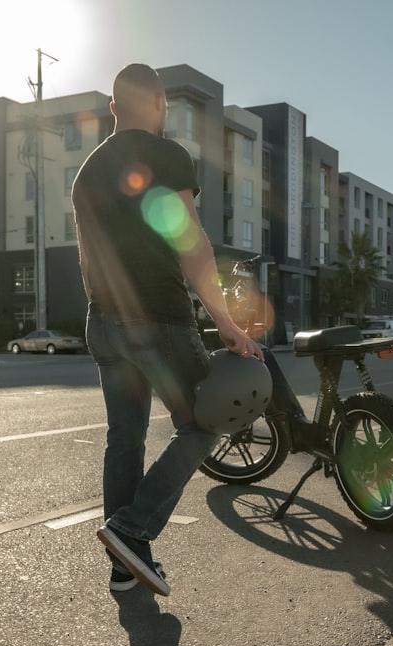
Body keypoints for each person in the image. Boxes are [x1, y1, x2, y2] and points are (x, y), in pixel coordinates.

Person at [71, 63, 264, 596]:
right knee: (204, 423)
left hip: (103, 322)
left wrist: (103, 315)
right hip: (158, 318)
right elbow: (191, 242)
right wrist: (223, 320)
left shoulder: (86, 171)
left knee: (125, 440)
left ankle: (124, 565)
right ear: (159, 106)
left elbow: (87, 260)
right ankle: (132, 530)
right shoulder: (166, 154)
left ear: (113, 108)